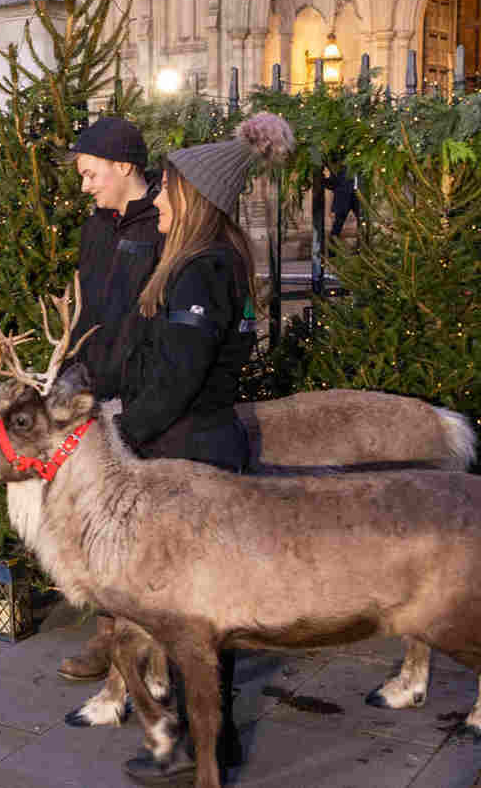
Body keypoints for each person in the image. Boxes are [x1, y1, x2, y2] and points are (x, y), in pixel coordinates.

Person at [114, 112, 294, 786]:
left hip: (191, 455)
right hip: (204, 446)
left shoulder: (199, 270)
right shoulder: (218, 261)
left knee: (196, 616)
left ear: (192, 198)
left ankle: (205, 745)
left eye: (166, 188)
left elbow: (178, 377)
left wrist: (124, 435)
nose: (156, 197)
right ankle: (209, 738)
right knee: (203, 614)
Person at [57, 117, 162, 683]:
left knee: (136, 523)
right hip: (90, 385)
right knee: (93, 513)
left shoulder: (164, 224)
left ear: (124, 167)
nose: (86, 185)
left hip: (140, 392)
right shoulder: (96, 227)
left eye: (91, 173)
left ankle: (142, 638)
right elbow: (87, 305)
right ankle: (107, 632)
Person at [327, 163, 361, 240]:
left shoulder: (363, 159)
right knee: (338, 224)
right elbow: (332, 183)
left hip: (359, 195)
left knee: (362, 222)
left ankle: (362, 248)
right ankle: (332, 250)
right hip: (343, 196)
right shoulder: (339, 161)